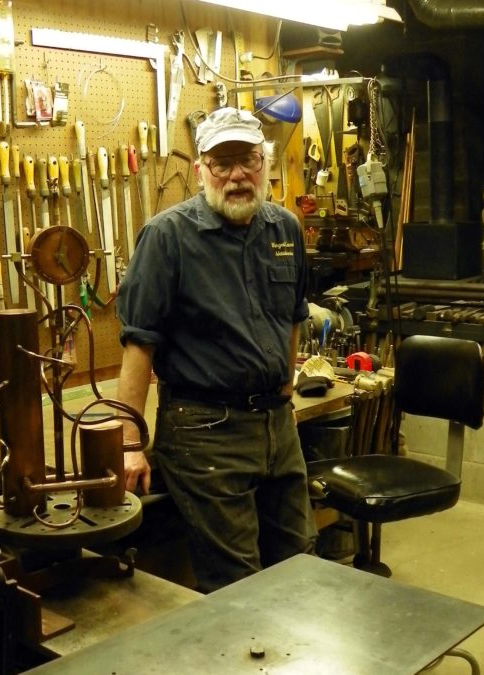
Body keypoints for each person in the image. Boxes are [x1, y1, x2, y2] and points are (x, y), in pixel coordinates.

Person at [115, 107, 316, 593]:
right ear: (201, 168)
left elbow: (292, 318)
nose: (236, 176)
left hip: (274, 426)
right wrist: (127, 443)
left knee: (304, 568)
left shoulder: (284, 228)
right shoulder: (168, 236)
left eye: (246, 160)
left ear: (264, 162)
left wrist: (285, 393)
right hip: (204, 430)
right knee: (237, 587)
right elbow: (140, 344)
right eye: (221, 164)